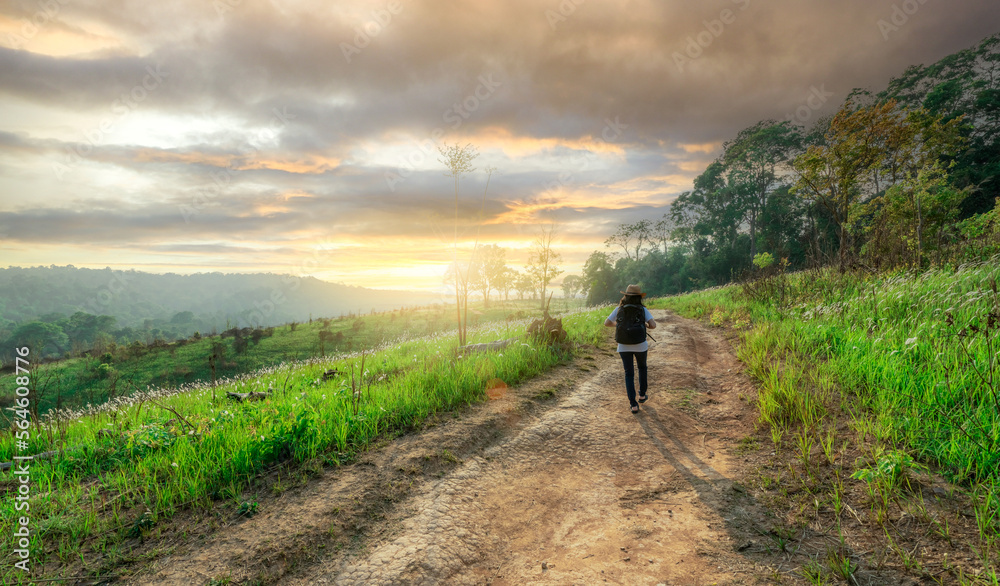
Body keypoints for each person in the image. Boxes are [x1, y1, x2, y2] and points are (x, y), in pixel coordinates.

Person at [604, 284, 656, 414]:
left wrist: (619, 325)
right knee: (642, 368)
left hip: (623, 346)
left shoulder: (619, 309)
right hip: (640, 345)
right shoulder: (643, 310)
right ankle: (642, 395)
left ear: (625, 296)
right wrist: (644, 325)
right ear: (639, 297)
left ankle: (633, 405)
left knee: (629, 373)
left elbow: (607, 323)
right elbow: (653, 325)